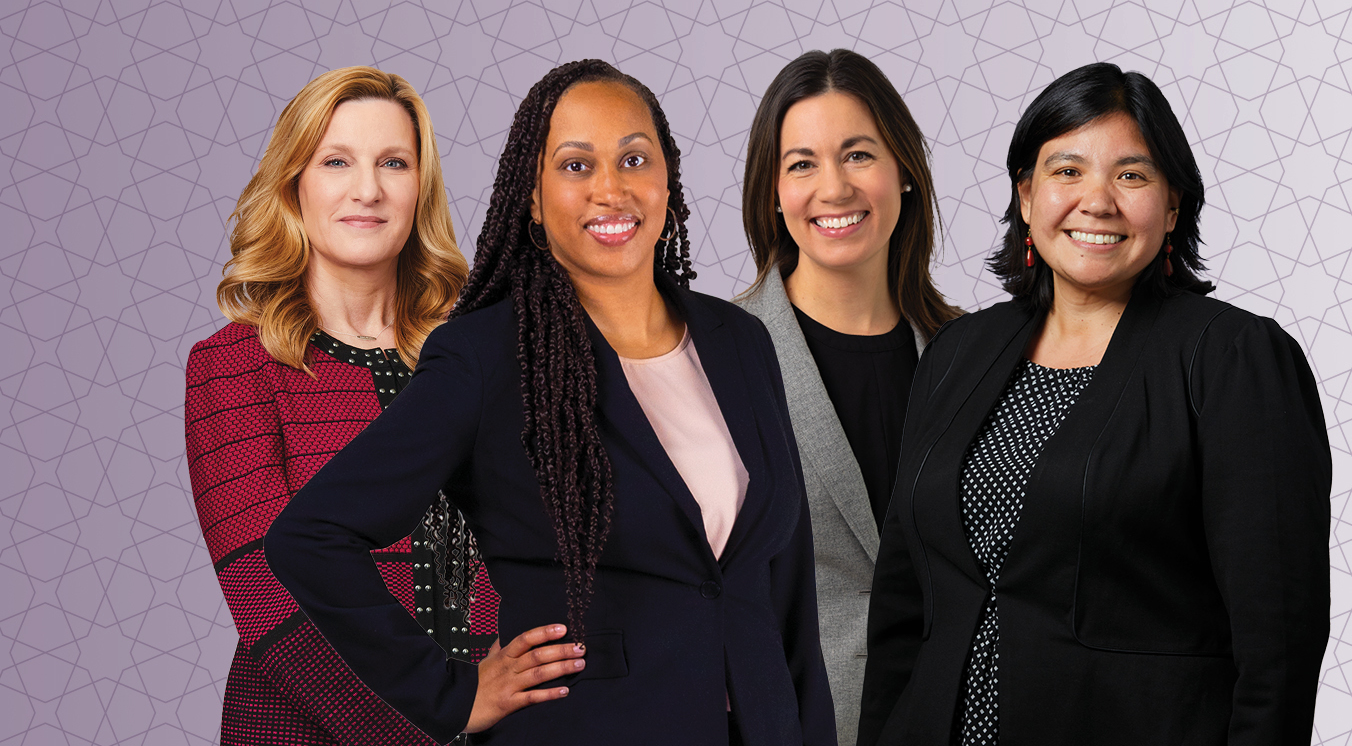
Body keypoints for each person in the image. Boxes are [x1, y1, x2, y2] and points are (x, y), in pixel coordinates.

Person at [267, 59, 836, 745]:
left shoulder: (739, 341)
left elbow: (789, 592)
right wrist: (448, 694)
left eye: (634, 158)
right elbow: (311, 537)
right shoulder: (485, 357)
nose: (611, 189)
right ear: (532, 198)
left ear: (668, 180)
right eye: (575, 166)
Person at [859, 62, 1330, 746]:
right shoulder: (958, 351)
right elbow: (903, 608)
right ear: (1026, 196)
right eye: (1067, 170)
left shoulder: (1233, 359)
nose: (1097, 200)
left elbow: (1278, 641)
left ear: (1172, 205)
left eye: (1132, 175)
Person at [184, 65, 503, 746]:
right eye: (337, 161)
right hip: (310, 731)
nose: (368, 189)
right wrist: (443, 716)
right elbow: (272, 597)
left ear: (422, 187)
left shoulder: (483, 349)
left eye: (394, 162)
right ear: (295, 183)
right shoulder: (234, 367)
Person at [729, 48, 962, 745]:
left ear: (904, 174)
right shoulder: (716, 358)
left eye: (858, 154)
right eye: (801, 163)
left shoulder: (969, 357)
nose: (833, 187)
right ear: (772, 191)